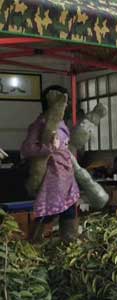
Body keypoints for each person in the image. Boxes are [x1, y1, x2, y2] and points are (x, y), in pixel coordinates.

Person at [21, 85, 79, 242]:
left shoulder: (61, 123)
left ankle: (70, 248)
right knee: (47, 215)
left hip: (67, 176)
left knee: (69, 215)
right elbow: (27, 149)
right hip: (51, 178)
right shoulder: (40, 123)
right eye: (64, 102)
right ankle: (33, 248)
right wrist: (49, 148)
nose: (66, 106)